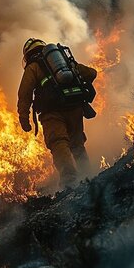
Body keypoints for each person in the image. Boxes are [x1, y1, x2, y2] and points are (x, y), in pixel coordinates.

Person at [17, 38, 97, 187]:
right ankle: (89, 175)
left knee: (58, 142)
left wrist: (24, 118)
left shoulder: (33, 67)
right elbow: (91, 73)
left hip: (51, 112)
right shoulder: (64, 62)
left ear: (28, 54)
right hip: (74, 107)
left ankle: (70, 180)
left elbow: (25, 93)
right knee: (77, 144)